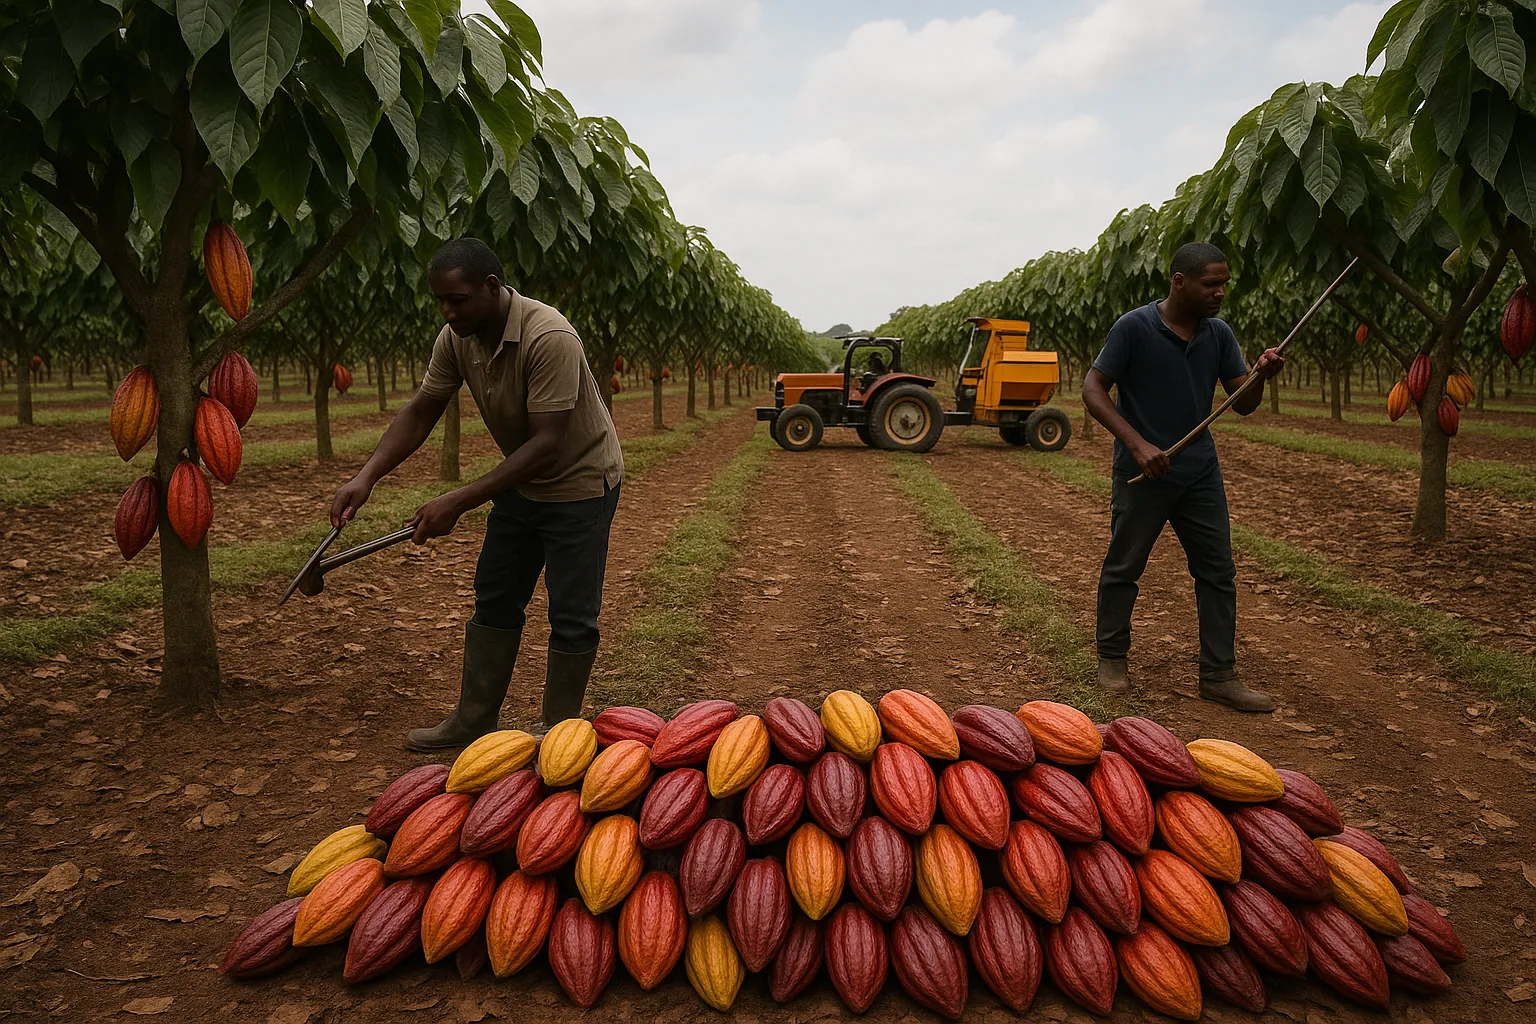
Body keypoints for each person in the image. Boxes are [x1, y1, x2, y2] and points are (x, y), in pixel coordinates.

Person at [330, 238, 624, 749]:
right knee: (495, 594)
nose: (448, 311)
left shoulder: (549, 336)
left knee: (572, 613)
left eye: (458, 299)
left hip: (578, 483)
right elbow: (423, 410)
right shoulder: (456, 337)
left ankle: (557, 735)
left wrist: (458, 500)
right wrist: (367, 476)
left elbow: (547, 445)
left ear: (492, 288)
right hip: (521, 482)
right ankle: (473, 719)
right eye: (441, 301)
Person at [1081, 242, 1284, 712]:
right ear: (1180, 281)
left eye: (1224, 285)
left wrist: (1260, 374)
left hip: (1200, 474)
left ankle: (1218, 675)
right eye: (1211, 284)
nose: (1220, 294)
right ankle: (1112, 658)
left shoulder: (1218, 335)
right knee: (1124, 567)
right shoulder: (1134, 328)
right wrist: (1137, 445)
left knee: (1217, 573)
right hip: (1143, 473)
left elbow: (1244, 404)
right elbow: (1092, 388)